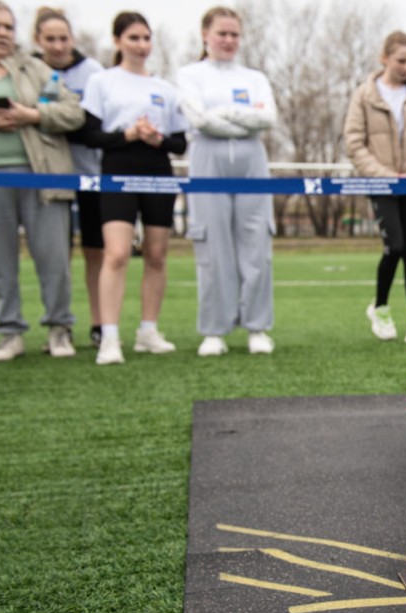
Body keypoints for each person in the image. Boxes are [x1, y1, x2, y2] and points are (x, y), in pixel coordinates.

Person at [0, 0, 83, 361]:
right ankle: (9, 333)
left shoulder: (35, 68)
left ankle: (59, 330)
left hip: (42, 177)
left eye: (8, 27)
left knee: (54, 257)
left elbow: (73, 112)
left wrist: (31, 114)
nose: (3, 33)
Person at [76, 12, 187, 365]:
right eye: (134, 38)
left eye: (145, 38)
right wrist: (128, 134)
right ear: (118, 41)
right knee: (117, 254)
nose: (141, 45)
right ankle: (109, 336)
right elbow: (89, 135)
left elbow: (180, 143)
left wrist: (156, 138)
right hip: (117, 172)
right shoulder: (102, 82)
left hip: (158, 173)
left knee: (156, 255)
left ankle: (148, 331)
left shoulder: (165, 89)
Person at [176, 6, 276, 357]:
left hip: (252, 160)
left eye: (234, 34)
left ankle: (257, 326)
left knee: (256, 244)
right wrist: (242, 118)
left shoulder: (254, 77)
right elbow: (200, 121)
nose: (228, 40)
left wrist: (227, 113)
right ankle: (214, 330)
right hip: (207, 160)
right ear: (206, 35)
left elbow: (268, 117)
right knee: (212, 246)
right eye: (222, 33)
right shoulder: (189, 75)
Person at [344, 30, 406, 346]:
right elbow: (354, 142)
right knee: (395, 247)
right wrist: (384, 175)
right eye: (401, 60)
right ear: (384, 58)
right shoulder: (364, 95)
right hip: (381, 183)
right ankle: (381, 308)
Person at [32, 6, 104, 347]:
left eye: (64, 38)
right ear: (37, 40)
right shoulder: (31, 70)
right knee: (56, 255)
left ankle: (100, 323)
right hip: (48, 177)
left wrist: (42, 118)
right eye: (50, 39)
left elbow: (92, 126)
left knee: (95, 252)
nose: (58, 45)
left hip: (90, 176)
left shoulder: (92, 72)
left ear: (72, 39)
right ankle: (59, 327)